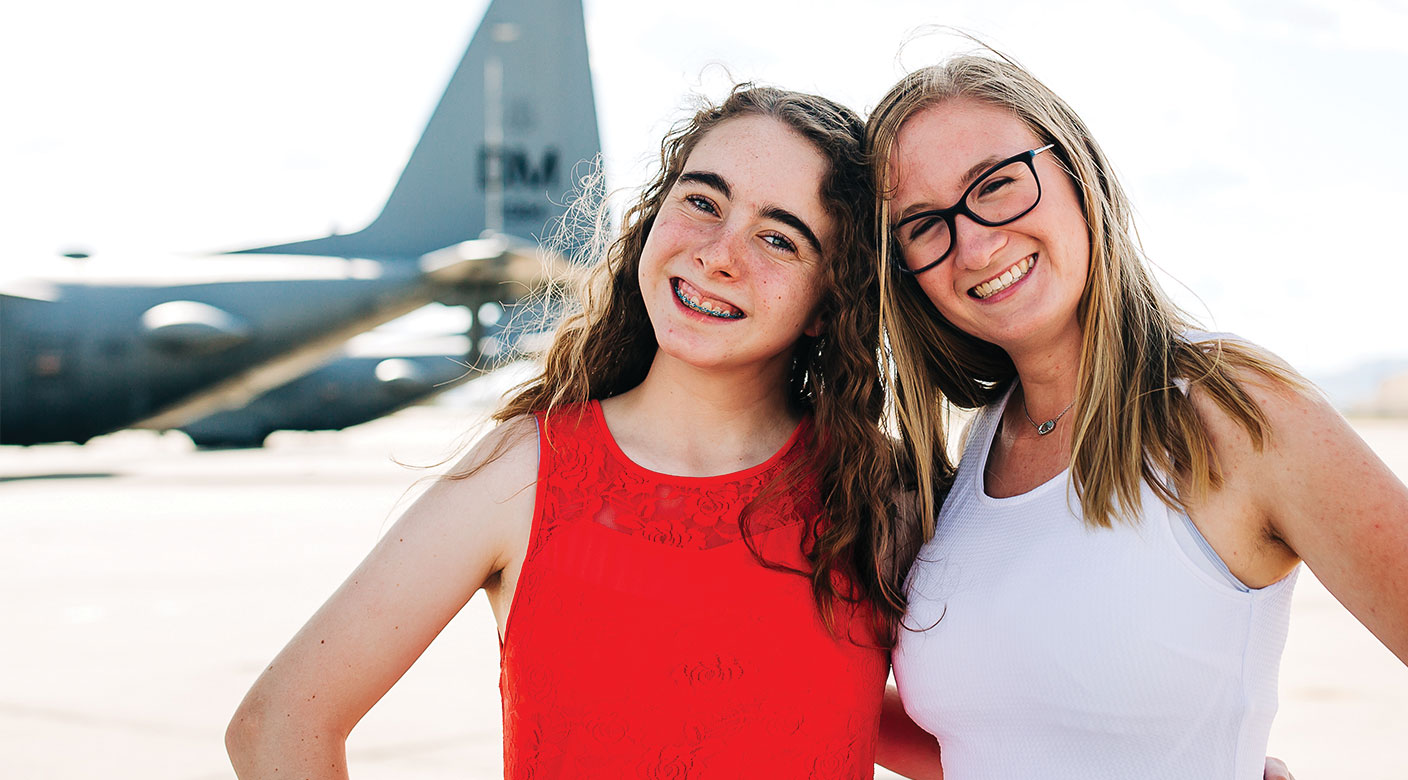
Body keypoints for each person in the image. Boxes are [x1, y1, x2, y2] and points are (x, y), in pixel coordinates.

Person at [865, 54, 1408, 780]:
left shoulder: (1230, 412)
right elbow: (989, 742)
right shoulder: (972, 456)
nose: (975, 244)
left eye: (996, 184)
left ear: (1077, 172)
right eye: (924, 225)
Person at [225, 85, 912, 779]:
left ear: (829, 302)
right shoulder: (525, 471)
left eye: (778, 238)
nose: (718, 254)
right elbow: (279, 722)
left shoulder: (880, 495)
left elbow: (957, 731)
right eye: (702, 202)